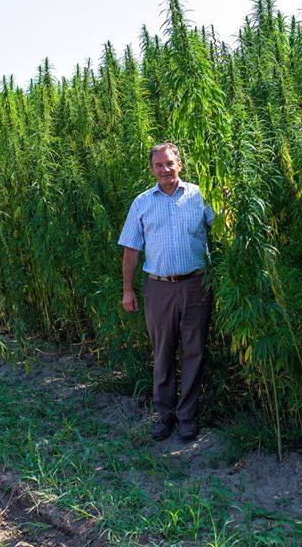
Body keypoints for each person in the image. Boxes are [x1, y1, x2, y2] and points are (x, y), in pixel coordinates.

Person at [118, 141, 214, 442]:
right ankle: (165, 416)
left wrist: (227, 204)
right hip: (159, 287)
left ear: (180, 164)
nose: (165, 169)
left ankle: (187, 417)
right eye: (159, 165)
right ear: (152, 169)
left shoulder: (199, 196)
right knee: (162, 354)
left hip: (197, 284)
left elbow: (223, 227)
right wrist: (127, 290)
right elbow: (131, 250)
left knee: (194, 351)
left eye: (170, 163)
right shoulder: (142, 202)